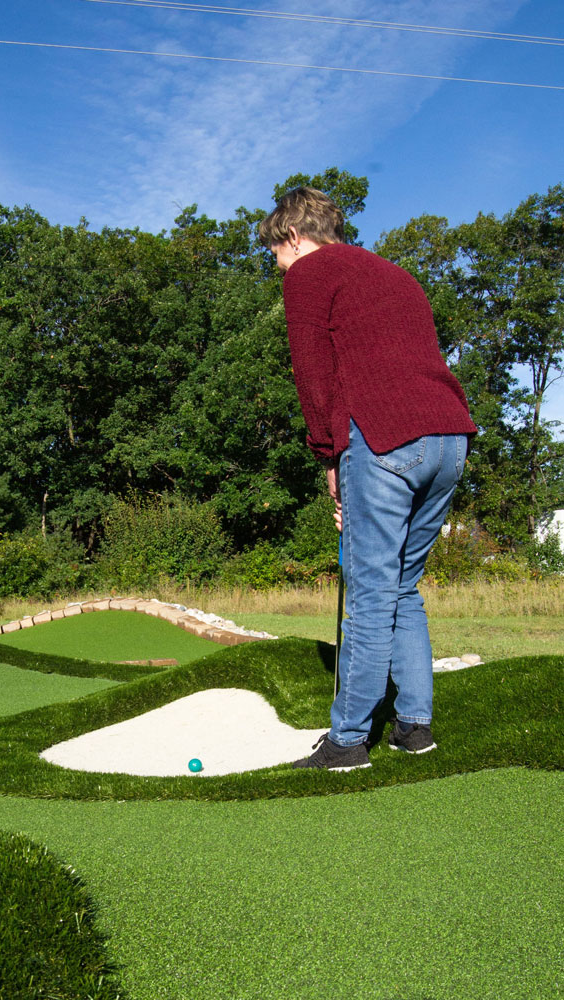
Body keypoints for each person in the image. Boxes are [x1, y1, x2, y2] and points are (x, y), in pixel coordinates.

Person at [259, 187, 477, 772]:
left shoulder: (307, 273)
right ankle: (414, 728)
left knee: (372, 590)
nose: (277, 264)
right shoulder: (395, 274)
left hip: (382, 437)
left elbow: (312, 374)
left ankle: (348, 742)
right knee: (404, 584)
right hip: (449, 438)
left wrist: (330, 458)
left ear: (294, 238)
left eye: (275, 252)